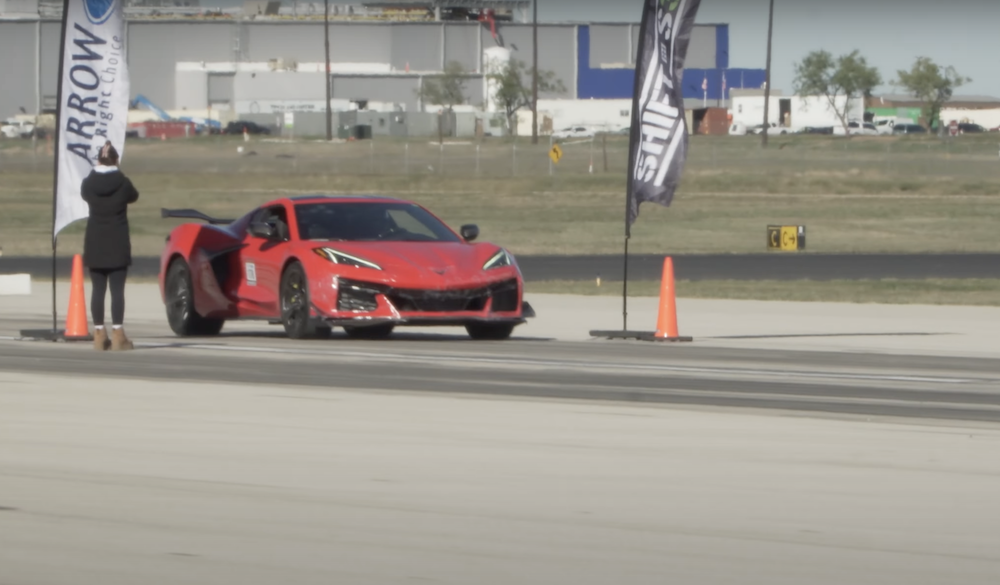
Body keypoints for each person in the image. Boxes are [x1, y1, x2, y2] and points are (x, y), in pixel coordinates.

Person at [81, 141, 139, 351]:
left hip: (95, 240)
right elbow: (134, 196)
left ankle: (98, 333)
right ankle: (118, 334)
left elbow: (84, 195)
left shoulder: (88, 183)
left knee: (98, 289)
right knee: (117, 290)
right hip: (117, 240)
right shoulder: (123, 183)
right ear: (116, 160)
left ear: (98, 160)